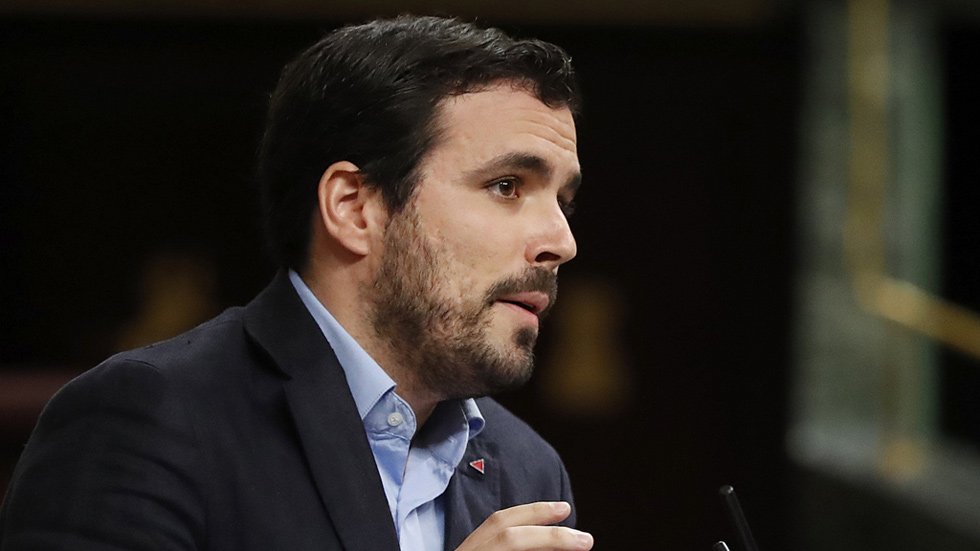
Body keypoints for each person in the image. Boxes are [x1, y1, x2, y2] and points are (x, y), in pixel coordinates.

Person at [0, 15, 592, 551]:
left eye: (563, 201)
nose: (561, 241)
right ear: (354, 208)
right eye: (507, 186)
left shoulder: (527, 469)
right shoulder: (150, 419)